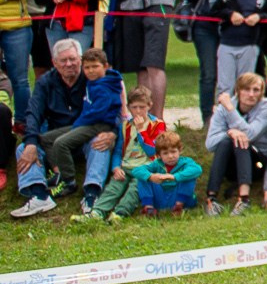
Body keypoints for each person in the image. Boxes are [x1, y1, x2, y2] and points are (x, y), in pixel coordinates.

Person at [11, 37, 90, 217]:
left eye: (73, 59)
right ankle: (39, 195)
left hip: (84, 138)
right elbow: (33, 112)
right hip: (54, 142)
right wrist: (31, 142)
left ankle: (92, 193)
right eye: (63, 60)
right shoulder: (46, 82)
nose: (69, 64)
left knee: (99, 145)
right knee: (24, 148)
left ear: (80, 59)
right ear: (54, 63)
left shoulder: (91, 79)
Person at [74, 83, 165, 223]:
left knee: (135, 190)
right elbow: (118, 150)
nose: (138, 111)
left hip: (146, 167)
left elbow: (152, 150)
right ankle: (97, 213)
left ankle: (120, 213)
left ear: (150, 105)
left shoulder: (158, 125)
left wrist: (141, 131)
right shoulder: (125, 126)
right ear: (128, 107)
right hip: (127, 165)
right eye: (134, 107)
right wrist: (116, 167)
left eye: (142, 107)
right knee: (113, 188)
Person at [50, 46, 123, 211]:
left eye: (95, 66)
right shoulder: (92, 82)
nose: (90, 71)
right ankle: (58, 174)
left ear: (105, 66)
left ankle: (73, 183)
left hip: (97, 125)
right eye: (87, 67)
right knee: (47, 139)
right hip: (86, 123)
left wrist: (79, 124)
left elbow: (99, 113)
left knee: (64, 143)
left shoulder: (105, 86)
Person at [185, 0, 244, 124]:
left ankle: (233, 115)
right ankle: (207, 118)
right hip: (206, 28)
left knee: (233, 74)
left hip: (233, 28)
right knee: (209, 73)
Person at [204, 71, 267, 215]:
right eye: (246, 89)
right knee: (226, 141)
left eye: (256, 90)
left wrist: (231, 110)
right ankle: (211, 199)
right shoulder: (222, 108)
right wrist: (229, 133)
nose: (251, 94)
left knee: (241, 141)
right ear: (237, 91)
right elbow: (210, 144)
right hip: (230, 164)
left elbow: (250, 134)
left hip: (258, 162)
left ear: (262, 92)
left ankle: (244, 199)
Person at [214, 0, 267, 94]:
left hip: (250, 45)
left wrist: (259, 16)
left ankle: (244, 113)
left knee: (245, 83)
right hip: (227, 44)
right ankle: (225, 112)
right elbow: (213, 12)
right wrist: (230, 15)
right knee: (225, 84)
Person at [131, 131, 201, 216]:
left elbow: (197, 169)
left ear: (180, 150)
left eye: (173, 152)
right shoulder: (156, 164)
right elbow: (136, 170)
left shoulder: (186, 162)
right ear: (159, 155)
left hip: (181, 198)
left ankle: (178, 207)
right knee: (143, 177)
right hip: (161, 197)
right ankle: (149, 208)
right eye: (165, 153)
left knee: (189, 176)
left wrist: (175, 177)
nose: (170, 156)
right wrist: (151, 176)